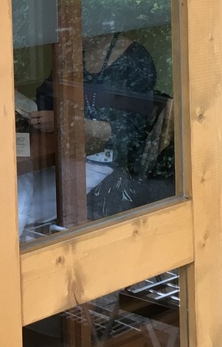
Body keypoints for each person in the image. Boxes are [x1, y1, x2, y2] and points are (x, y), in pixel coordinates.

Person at [18, 30, 174, 237]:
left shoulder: (135, 60)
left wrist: (66, 122)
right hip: (64, 154)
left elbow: (127, 131)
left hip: (105, 162)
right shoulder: (74, 53)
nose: (67, 31)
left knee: (17, 206)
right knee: (17, 182)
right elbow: (47, 94)